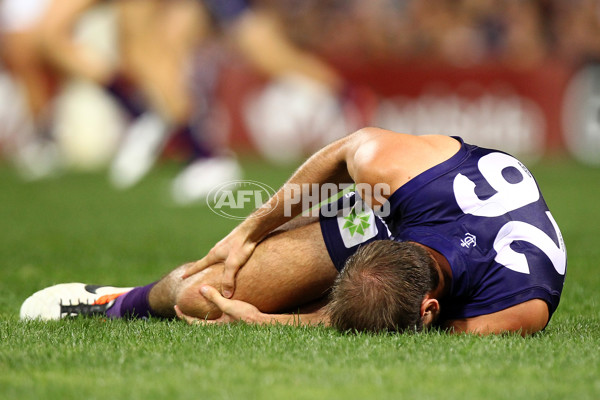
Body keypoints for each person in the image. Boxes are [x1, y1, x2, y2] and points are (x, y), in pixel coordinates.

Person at [20, 128, 567, 335]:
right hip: (405, 207)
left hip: (440, 233)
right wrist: (248, 231)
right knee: (202, 291)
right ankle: (121, 301)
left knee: (213, 307)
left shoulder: (514, 308)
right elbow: (345, 150)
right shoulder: (395, 172)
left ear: (431, 308)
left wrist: (271, 322)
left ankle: (120, 303)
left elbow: (355, 318)